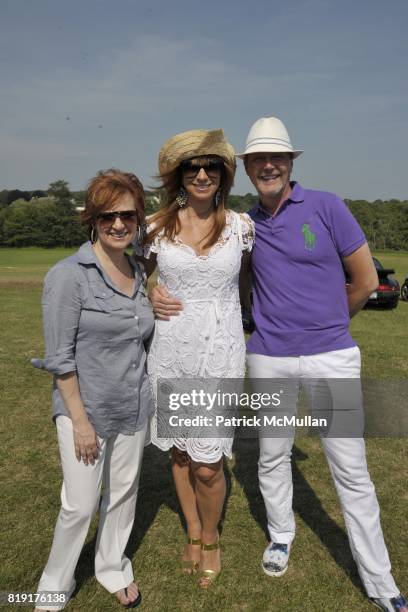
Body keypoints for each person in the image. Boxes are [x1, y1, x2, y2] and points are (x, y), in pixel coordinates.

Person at [236, 116, 406, 612]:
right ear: (248, 168)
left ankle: (380, 581)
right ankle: (281, 535)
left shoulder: (327, 206)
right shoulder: (245, 223)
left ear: (290, 163)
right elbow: (239, 282)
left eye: (278, 158)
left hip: (331, 354)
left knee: (350, 469)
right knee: (271, 456)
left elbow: (366, 279)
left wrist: (329, 324)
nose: (269, 166)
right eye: (259, 160)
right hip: (268, 356)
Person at [31, 169, 154, 610]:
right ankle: (52, 587)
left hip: (135, 406)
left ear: (138, 218)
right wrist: (80, 423)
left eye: (127, 215)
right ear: (92, 220)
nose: (118, 224)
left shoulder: (137, 268)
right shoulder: (69, 275)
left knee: (122, 497)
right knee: (80, 506)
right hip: (85, 411)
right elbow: (60, 360)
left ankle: (112, 567)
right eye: (107, 216)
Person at [141, 128, 254, 587]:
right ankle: (191, 529)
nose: (202, 174)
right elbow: (135, 279)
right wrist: (149, 292)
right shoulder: (154, 227)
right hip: (170, 354)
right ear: (179, 177)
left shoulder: (242, 228)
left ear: (223, 176)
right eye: (193, 167)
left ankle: (211, 537)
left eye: (211, 167)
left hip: (221, 355)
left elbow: (248, 286)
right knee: (182, 453)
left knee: (209, 463)